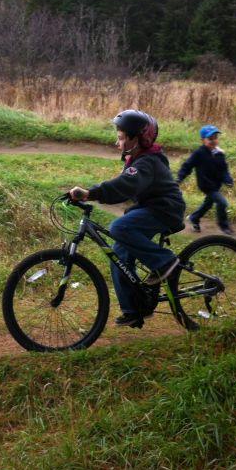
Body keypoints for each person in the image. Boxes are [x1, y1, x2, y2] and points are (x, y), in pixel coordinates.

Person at [69, 110, 186, 327]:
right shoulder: (138, 160)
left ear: (138, 138)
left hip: (166, 210)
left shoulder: (148, 162)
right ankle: (134, 308)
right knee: (119, 252)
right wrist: (93, 194)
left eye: (122, 138)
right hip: (150, 208)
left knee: (119, 228)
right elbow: (123, 187)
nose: (118, 142)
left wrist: (90, 193)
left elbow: (125, 186)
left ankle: (166, 262)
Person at [177, 125, 234, 235]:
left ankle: (194, 218)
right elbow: (187, 166)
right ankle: (224, 226)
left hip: (216, 185)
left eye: (215, 137)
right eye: (210, 138)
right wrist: (180, 177)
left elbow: (224, 170)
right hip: (206, 184)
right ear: (203, 140)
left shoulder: (220, 154)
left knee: (208, 204)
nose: (213, 141)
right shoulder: (199, 153)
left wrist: (228, 179)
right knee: (222, 203)